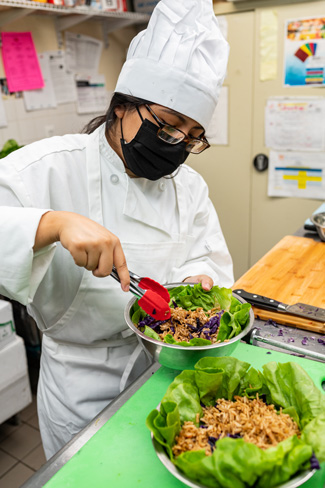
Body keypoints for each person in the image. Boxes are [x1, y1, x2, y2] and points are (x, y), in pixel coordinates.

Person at [0, 0, 233, 459]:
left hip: (169, 372)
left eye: (192, 136)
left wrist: (197, 283)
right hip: (79, 384)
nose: (177, 147)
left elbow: (207, 255)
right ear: (122, 106)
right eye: (167, 127)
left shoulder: (189, 186)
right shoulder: (48, 168)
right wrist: (50, 224)